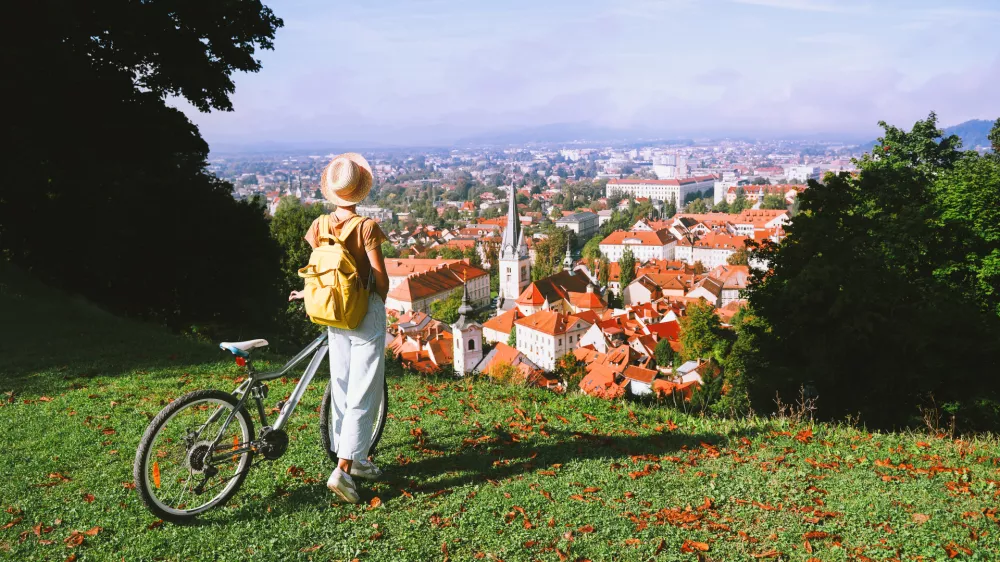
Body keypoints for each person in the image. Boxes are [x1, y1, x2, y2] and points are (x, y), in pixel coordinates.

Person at [289, 152, 389, 504]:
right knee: (365, 390)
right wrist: (378, 295)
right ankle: (344, 469)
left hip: (332, 312)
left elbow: (320, 267)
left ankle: (351, 457)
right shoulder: (366, 227)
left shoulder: (318, 225)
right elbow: (381, 280)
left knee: (342, 384)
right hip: (364, 312)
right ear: (360, 191)